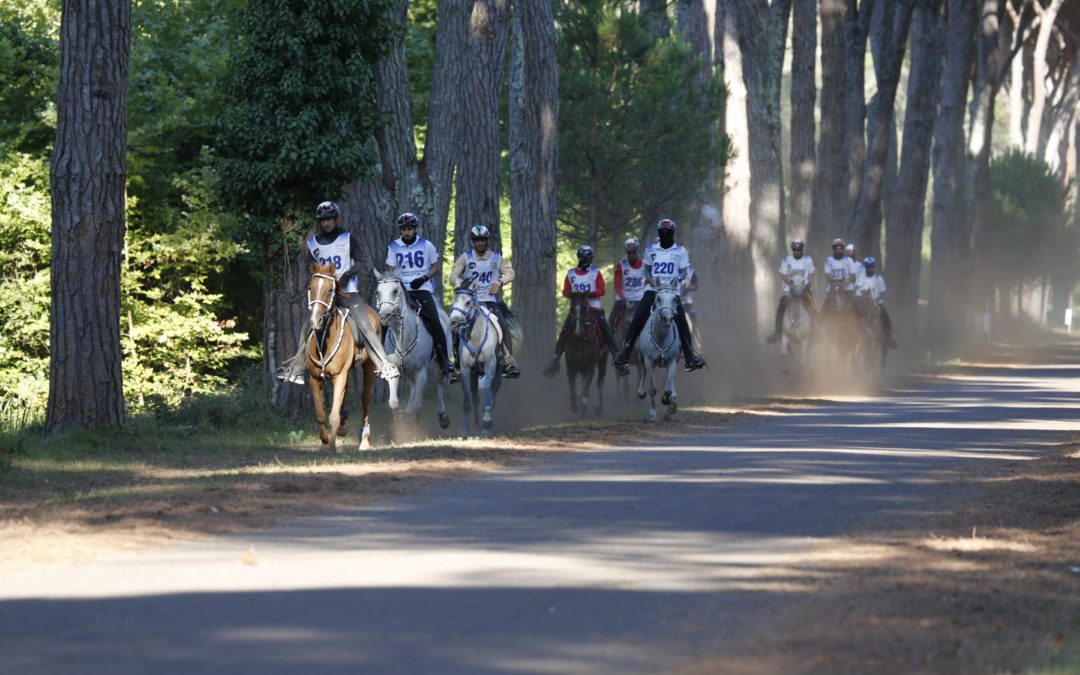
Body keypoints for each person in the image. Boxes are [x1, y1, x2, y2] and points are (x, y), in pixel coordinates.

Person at [279, 201, 398, 384]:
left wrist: (346, 276)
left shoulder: (347, 238)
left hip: (347, 292)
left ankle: (384, 364)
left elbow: (360, 261)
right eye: (323, 220)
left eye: (329, 219)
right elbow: (309, 267)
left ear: (336, 219)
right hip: (325, 295)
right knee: (307, 327)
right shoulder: (313, 243)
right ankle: (297, 368)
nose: (326, 223)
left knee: (365, 325)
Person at [613, 218, 707, 373]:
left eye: (668, 232)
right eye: (662, 232)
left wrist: (679, 278)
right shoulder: (650, 250)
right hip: (653, 291)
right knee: (637, 318)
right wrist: (649, 279)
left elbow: (684, 270)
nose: (665, 234)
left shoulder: (680, 251)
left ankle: (690, 356)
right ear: (658, 233)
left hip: (671, 292)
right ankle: (626, 353)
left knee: (682, 321)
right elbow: (646, 269)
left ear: (672, 233)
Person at [385, 211, 459, 383]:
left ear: (415, 229)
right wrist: (398, 284)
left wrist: (424, 278)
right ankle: (382, 360)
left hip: (422, 288)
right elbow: (390, 270)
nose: (407, 233)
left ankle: (444, 360)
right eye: (404, 229)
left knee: (434, 320)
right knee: (384, 317)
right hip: (401, 290)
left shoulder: (426, 245)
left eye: (410, 229)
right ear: (400, 230)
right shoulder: (393, 247)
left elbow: (436, 266)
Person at [542, 245, 629, 377]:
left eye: (589, 258)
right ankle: (555, 360)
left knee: (606, 329)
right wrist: (571, 293)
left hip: (593, 307)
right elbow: (565, 290)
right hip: (577, 309)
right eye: (585, 258)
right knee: (565, 331)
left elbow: (602, 289)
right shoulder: (571, 274)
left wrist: (592, 294)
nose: (587, 260)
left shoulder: (595, 272)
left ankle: (617, 358)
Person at [448, 225, 521, 378]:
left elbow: (510, 272)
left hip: (488, 301)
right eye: (476, 240)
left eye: (482, 240)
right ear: (473, 241)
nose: (479, 243)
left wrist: (499, 282)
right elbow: (453, 275)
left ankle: (509, 361)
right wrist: (461, 284)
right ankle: (456, 362)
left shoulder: (496, 258)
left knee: (502, 325)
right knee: (454, 324)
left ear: (487, 241)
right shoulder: (465, 257)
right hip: (469, 301)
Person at [766, 238, 816, 344]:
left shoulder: (808, 260)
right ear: (792, 250)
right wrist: (792, 283)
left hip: (804, 291)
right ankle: (777, 331)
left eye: (799, 250)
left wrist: (808, 281)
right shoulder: (786, 261)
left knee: (812, 306)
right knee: (781, 306)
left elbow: (811, 273)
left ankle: (817, 329)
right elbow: (782, 275)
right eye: (795, 250)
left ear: (802, 249)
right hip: (789, 291)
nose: (797, 252)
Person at [855, 257, 897, 348]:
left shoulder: (878, 278)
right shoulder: (860, 279)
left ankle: (888, 336)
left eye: (871, 267)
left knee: (885, 316)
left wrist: (876, 300)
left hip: (877, 302)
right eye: (868, 267)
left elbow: (883, 292)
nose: (870, 269)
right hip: (864, 303)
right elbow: (857, 292)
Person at [610, 238, 647, 332]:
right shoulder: (620, 265)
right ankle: (607, 345)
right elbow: (617, 286)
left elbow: (647, 282)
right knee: (610, 321)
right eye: (629, 253)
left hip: (639, 298)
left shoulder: (645, 265)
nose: (631, 255)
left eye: (633, 252)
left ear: (637, 252)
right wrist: (623, 298)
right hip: (623, 299)